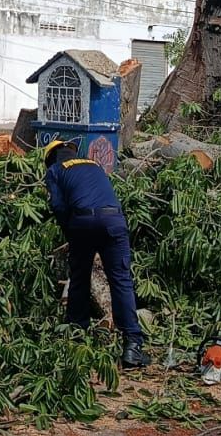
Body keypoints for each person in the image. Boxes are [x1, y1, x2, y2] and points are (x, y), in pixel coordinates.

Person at [42, 139, 149, 368]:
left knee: (80, 277)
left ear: (52, 157)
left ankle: (77, 334)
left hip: (82, 221)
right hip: (114, 220)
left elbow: (59, 206)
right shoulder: (94, 165)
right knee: (121, 281)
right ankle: (132, 346)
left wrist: (69, 231)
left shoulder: (55, 170)